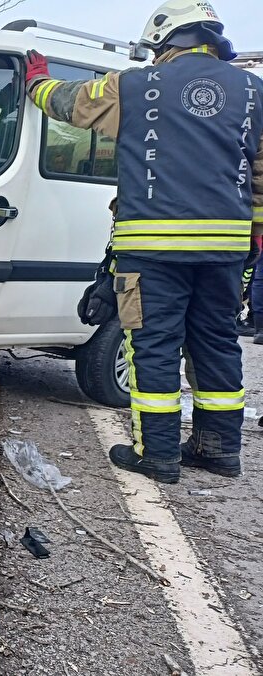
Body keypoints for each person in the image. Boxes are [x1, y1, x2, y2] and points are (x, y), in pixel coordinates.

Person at [26, 0, 263, 482]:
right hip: (226, 250)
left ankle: (156, 454)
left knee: (153, 347)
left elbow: (72, 102)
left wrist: (35, 82)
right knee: (217, 344)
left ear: (163, 41)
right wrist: (254, 240)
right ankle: (218, 449)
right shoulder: (255, 92)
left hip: (152, 249)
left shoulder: (133, 86)